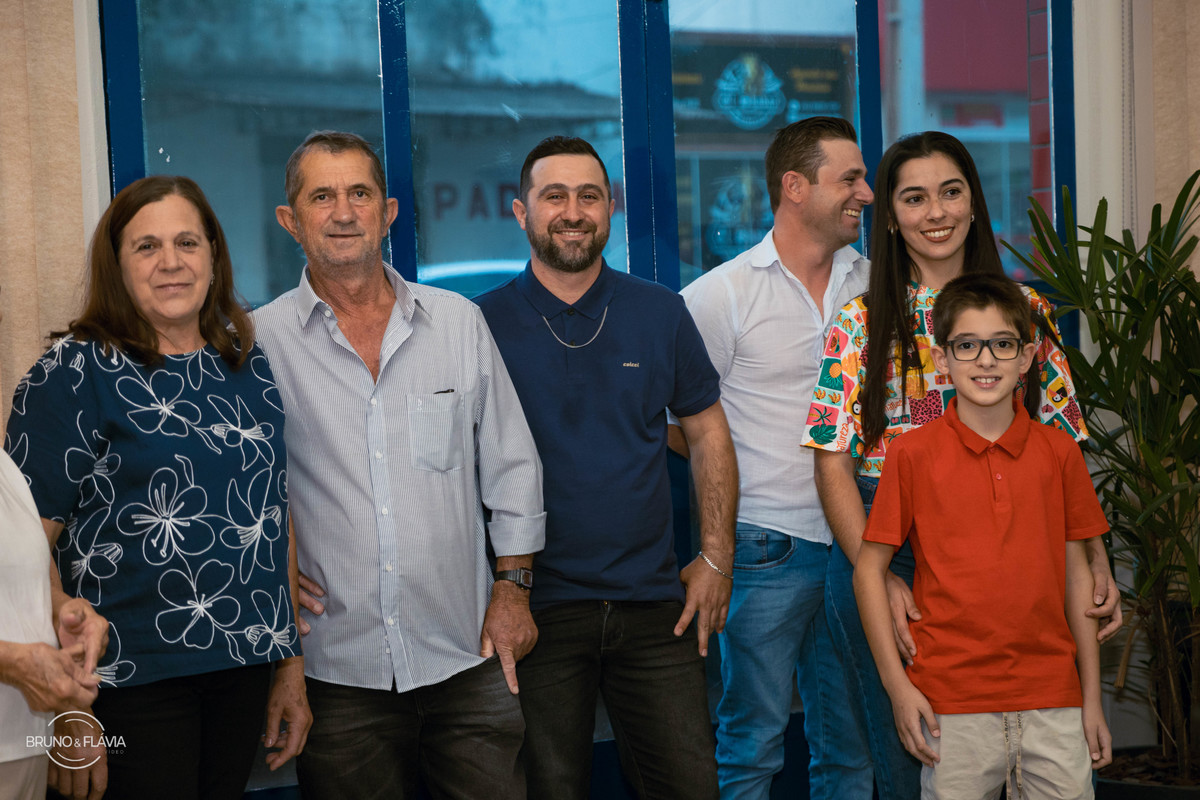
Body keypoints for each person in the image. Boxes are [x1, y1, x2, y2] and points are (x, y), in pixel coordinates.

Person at [802, 131, 1121, 798]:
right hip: (886, 544)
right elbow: (831, 463)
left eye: (951, 192)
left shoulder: (1027, 313)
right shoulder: (860, 322)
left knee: (1027, 747)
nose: (936, 212)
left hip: (1014, 544)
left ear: (974, 203)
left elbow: (1063, 449)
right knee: (911, 761)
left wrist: (1096, 560)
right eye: (914, 198)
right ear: (891, 218)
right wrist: (878, 572)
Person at [255, 130, 545, 800]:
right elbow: (240, 486)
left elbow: (512, 465)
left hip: (466, 652)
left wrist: (514, 590)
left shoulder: (457, 323)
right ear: (290, 220)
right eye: (321, 197)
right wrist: (264, 574)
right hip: (335, 670)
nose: (343, 212)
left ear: (387, 213)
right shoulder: (258, 343)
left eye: (359, 193)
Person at [4, 175, 309, 800]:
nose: (171, 262)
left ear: (213, 256)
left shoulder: (245, 363)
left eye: (187, 243)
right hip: (122, 678)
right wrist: (67, 705)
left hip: (243, 663)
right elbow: (21, 551)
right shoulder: (73, 372)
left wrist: (289, 663)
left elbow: (271, 515)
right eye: (146, 247)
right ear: (117, 265)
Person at [472, 135, 738, 799]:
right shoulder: (480, 324)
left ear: (610, 208)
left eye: (589, 196)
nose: (573, 211)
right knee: (550, 789)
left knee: (691, 787)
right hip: (536, 609)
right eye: (554, 196)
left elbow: (708, 434)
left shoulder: (659, 311)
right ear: (521, 212)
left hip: (653, 607)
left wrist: (715, 558)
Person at [853, 272, 1113, 798]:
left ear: (1027, 357)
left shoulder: (1060, 453)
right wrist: (898, 690)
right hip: (952, 705)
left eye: (1003, 344)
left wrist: (1090, 700)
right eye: (967, 345)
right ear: (942, 359)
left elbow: (1076, 576)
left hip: (1053, 701)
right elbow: (868, 572)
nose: (986, 360)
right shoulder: (910, 455)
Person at [674, 117, 874, 799]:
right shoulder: (720, 295)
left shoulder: (877, 286)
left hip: (859, 546)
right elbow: (677, 425)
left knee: (850, 747)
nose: (866, 193)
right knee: (752, 744)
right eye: (850, 179)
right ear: (795, 186)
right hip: (766, 547)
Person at [1, 294, 108, 800]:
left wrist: (65, 614)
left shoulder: (5, 470)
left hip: (20, 745)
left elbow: (22, 587)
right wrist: (13, 663)